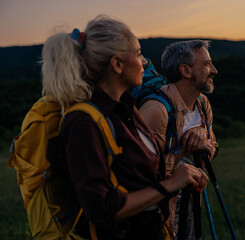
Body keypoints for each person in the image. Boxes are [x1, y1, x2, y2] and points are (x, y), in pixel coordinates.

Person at [41, 15, 208, 239]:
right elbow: (102, 208)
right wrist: (169, 185)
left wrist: (183, 176)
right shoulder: (82, 122)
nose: (145, 63)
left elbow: (138, 178)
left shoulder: (128, 110)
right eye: (138, 54)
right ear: (117, 64)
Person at [139, 40, 218, 239]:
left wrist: (204, 141)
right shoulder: (156, 111)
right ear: (186, 70)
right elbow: (146, 175)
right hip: (158, 206)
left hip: (190, 198)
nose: (214, 70)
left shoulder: (202, 103)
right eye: (207, 64)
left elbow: (212, 146)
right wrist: (184, 147)